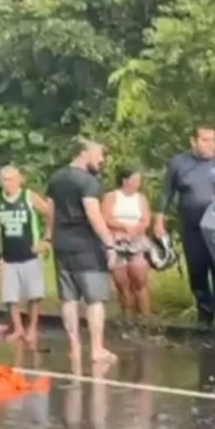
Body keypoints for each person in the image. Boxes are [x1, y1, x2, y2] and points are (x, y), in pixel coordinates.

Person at [155, 123, 215, 326]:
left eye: (213, 140)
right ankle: (204, 316)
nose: (210, 145)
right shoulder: (179, 163)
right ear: (193, 141)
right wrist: (159, 218)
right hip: (192, 228)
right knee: (197, 271)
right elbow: (166, 192)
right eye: (205, 140)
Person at [45, 138, 119, 363]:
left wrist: (49, 236)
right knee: (95, 299)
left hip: (62, 244)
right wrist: (109, 242)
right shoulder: (88, 182)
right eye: (99, 154)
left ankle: (74, 347)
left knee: (69, 298)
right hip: (86, 246)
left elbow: (51, 211)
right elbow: (93, 214)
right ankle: (97, 349)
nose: (102, 160)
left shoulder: (56, 178)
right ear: (84, 152)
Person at [0, 165, 53, 347]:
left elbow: (50, 212)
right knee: (10, 296)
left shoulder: (28, 196)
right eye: (4, 179)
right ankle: (18, 328)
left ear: (20, 179)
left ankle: (32, 328)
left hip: (30, 254)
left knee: (34, 295)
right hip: (9, 256)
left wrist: (47, 239)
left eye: (11, 179)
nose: (8, 183)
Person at [102, 167, 152, 317]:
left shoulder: (141, 198)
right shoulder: (111, 196)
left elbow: (146, 219)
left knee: (140, 280)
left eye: (139, 180)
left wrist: (135, 230)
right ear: (124, 180)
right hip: (117, 241)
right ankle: (126, 315)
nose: (138, 183)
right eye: (135, 180)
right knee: (122, 282)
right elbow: (106, 217)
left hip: (136, 241)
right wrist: (124, 227)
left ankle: (145, 316)